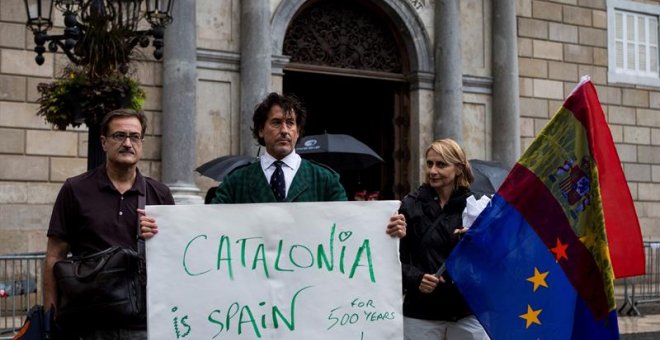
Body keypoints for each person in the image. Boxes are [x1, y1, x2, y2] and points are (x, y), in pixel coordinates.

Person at [140, 92, 405, 238]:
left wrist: (386, 229)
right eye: (276, 122)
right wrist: (163, 228)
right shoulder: (236, 182)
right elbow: (208, 228)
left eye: (291, 123)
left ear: (298, 132)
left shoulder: (325, 179)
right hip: (253, 295)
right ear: (260, 131)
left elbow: (348, 229)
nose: (284, 130)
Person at [44, 109, 175, 340]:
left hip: (143, 324)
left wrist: (159, 238)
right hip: (88, 323)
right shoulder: (75, 189)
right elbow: (55, 256)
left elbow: (174, 257)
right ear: (103, 143)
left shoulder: (160, 194)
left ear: (141, 143)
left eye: (134, 137)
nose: (127, 143)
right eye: (119, 136)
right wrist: (50, 313)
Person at [399, 138, 488, 340]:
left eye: (441, 164)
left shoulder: (477, 207)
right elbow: (394, 259)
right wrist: (417, 279)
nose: (432, 170)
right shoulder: (410, 205)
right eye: (429, 163)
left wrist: (476, 241)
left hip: (466, 311)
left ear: (458, 169)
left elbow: (493, 260)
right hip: (421, 313)